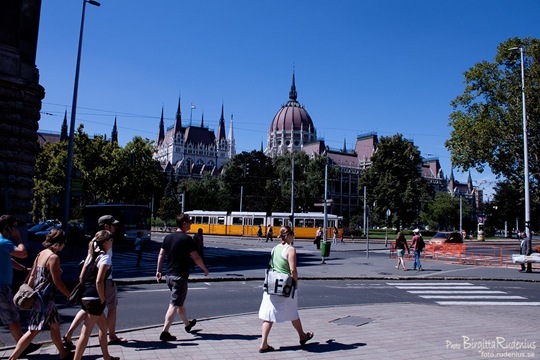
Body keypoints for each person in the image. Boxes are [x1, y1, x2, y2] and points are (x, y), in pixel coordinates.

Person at [63, 215, 126, 349]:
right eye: (113, 225)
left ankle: (68, 334)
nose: (115, 227)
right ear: (106, 227)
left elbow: (88, 259)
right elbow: (104, 265)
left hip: (89, 279)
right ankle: (112, 336)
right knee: (112, 307)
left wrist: (82, 276)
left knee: (85, 309)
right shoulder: (108, 241)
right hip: (105, 280)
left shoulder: (93, 240)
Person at [9, 229, 72, 360]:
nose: (64, 246)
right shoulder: (53, 257)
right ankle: (13, 358)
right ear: (59, 243)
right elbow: (57, 281)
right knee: (33, 330)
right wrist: (69, 294)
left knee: (55, 325)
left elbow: (32, 275)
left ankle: (63, 353)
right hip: (44, 299)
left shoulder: (41, 254)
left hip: (43, 298)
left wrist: (28, 293)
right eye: (63, 243)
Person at [258, 226, 313, 353]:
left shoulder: (274, 248)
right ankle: (302, 336)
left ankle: (263, 343)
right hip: (285, 287)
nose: (294, 236)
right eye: (293, 234)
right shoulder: (290, 249)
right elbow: (293, 269)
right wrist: (296, 283)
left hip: (271, 286)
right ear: (288, 236)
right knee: (293, 312)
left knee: (269, 316)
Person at [156, 214, 209, 342]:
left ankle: (187, 324)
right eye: (189, 222)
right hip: (180, 277)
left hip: (169, 275)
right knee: (174, 305)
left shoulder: (168, 237)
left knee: (180, 302)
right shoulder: (187, 239)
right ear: (184, 223)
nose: (191, 224)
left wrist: (158, 270)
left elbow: (161, 255)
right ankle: (165, 332)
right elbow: (196, 257)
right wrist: (204, 269)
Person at [73, 230, 119, 360]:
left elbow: (81, 276)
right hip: (95, 298)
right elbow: (99, 280)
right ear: (105, 242)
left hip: (85, 295)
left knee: (103, 328)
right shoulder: (105, 257)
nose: (112, 242)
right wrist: (102, 298)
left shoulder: (91, 255)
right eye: (110, 240)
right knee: (85, 332)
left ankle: (107, 357)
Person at [0, 215, 42, 356]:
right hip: (2, 287)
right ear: (8, 228)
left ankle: (23, 345)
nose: (16, 229)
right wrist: (18, 238)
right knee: (12, 317)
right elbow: (22, 253)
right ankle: (23, 346)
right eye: (15, 226)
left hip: (3, 286)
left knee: (11, 317)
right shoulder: (3, 241)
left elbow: (8, 259)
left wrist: (23, 269)